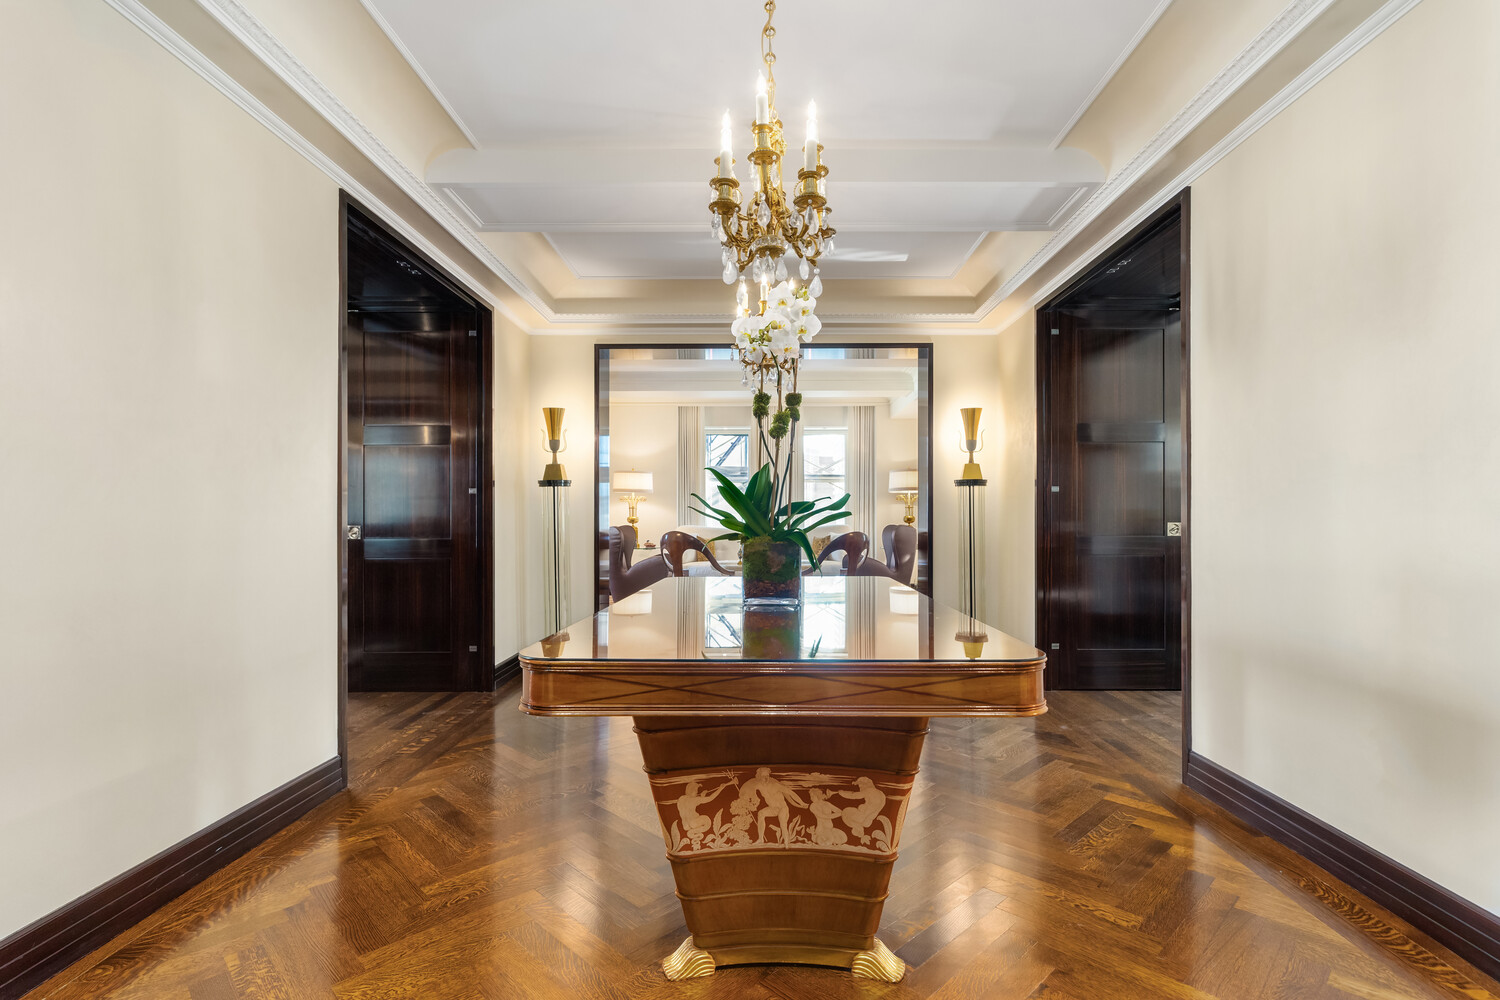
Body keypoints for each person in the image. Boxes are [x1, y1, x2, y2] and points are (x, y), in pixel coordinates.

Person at [735, 767, 808, 845]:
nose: (766, 778)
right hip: (773, 809)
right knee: (761, 813)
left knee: (783, 824)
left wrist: (802, 803)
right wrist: (744, 797)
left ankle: (787, 843)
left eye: (767, 776)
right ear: (759, 777)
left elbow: (791, 793)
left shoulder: (775, 785)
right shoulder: (759, 786)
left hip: (782, 808)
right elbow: (749, 789)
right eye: (763, 776)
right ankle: (760, 839)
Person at [837, 776, 886, 843]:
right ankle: (858, 828)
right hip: (868, 821)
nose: (860, 787)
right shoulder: (881, 794)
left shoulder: (869, 790)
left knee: (845, 812)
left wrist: (842, 793)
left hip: (862, 817)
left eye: (860, 785)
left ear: (865, 784)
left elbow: (853, 795)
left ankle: (857, 826)